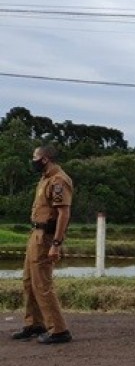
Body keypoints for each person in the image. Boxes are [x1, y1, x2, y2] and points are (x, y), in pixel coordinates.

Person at [11, 144, 74, 344]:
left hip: (46, 237)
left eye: (35, 157)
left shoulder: (58, 180)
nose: (33, 161)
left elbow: (63, 213)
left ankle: (59, 330)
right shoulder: (44, 179)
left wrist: (56, 243)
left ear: (45, 159)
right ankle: (34, 324)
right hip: (35, 233)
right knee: (29, 282)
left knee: (42, 284)